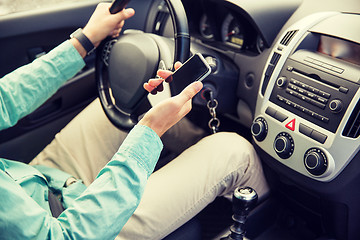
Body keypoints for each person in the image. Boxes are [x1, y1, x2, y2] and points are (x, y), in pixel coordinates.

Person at [0, 3, 269, 240]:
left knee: (122, 106)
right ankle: (276, 224)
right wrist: (149, 131)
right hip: (74, 226)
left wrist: (85, 40)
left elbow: (4, 99)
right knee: (235, 152)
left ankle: (201, 176)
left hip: (35, 182)